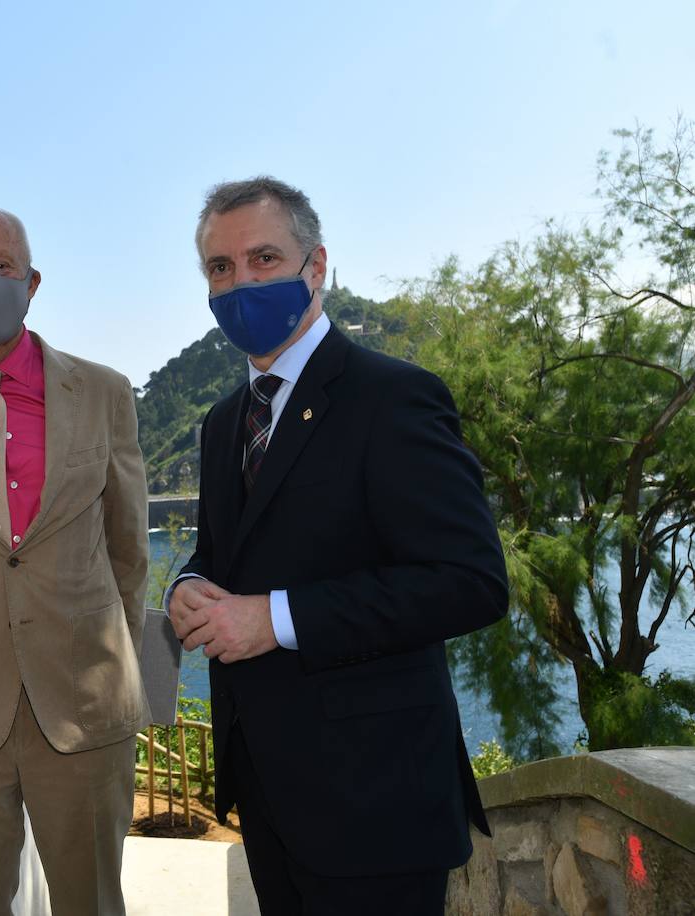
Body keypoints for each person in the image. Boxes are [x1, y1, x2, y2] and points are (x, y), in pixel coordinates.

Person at [166, 176, 509, 914]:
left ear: (315, 268)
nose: (241, 283)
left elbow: (470, 579)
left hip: (376, 804)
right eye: (220, 269)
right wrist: (185, 587)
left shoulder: (394, 397)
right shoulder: (224, 422)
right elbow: (221, 556)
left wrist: (276, 619)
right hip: (265, 793)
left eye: (264, 258)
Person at [0, 206, 150, 915]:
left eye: (1, 267)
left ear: (33, 281)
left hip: (83, 706)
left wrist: (120, 679)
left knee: (92, 904)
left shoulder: (104, 392)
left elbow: (129, 551)